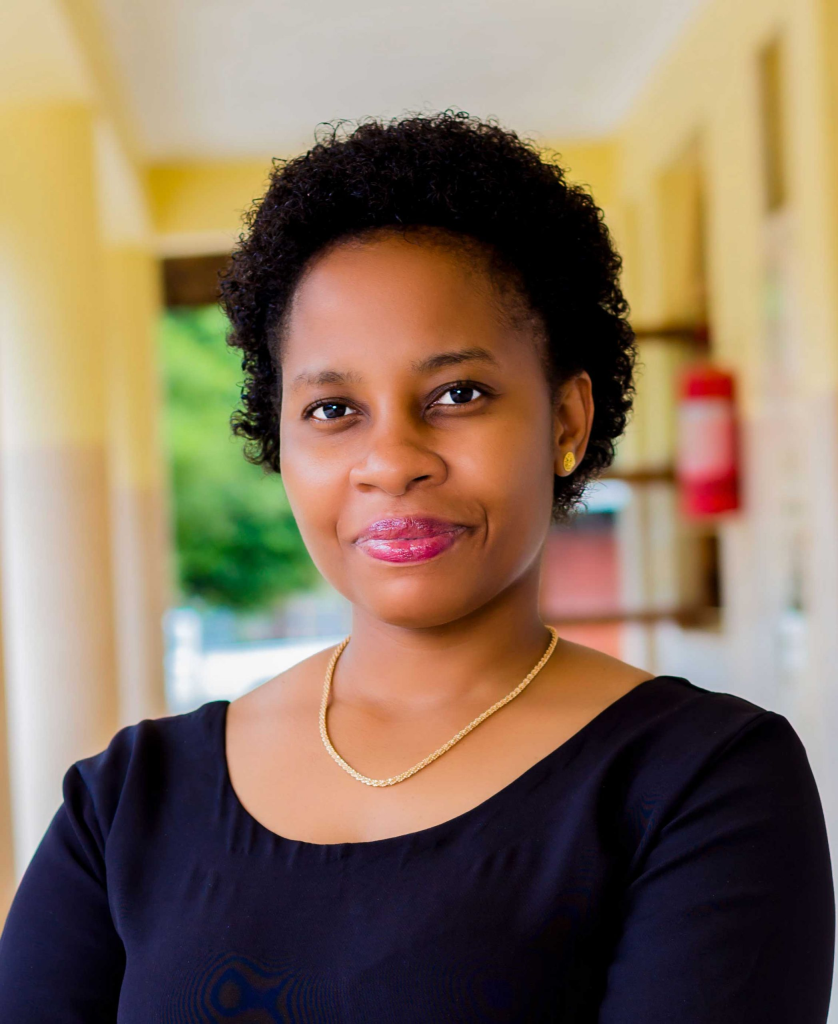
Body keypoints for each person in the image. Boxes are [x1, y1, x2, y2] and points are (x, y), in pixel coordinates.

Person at [0, 110, 833, 1023]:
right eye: (332, 409)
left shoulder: (702, 783)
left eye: (457, 394)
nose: (392, 460)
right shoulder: (127, 803)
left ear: (566, 420)